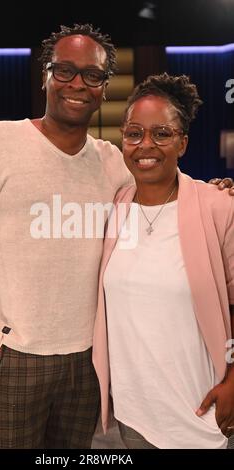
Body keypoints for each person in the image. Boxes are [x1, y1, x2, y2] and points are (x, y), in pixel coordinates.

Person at [0, 25, 233, 449]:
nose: (78, 83)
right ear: (46, 75)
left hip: (89, 359)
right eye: (65, 71)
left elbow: (160, 182)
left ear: (104, 88)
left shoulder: (111, 160)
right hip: (18, 355)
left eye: (92, 75)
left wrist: (214, 193)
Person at [93, 73, 234, 449]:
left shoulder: (218, 206)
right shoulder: (114, 207)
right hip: (133, 415)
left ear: (183, 143)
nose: (146, 145)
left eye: (162, 133)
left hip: (201, 414)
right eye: (134, 133)